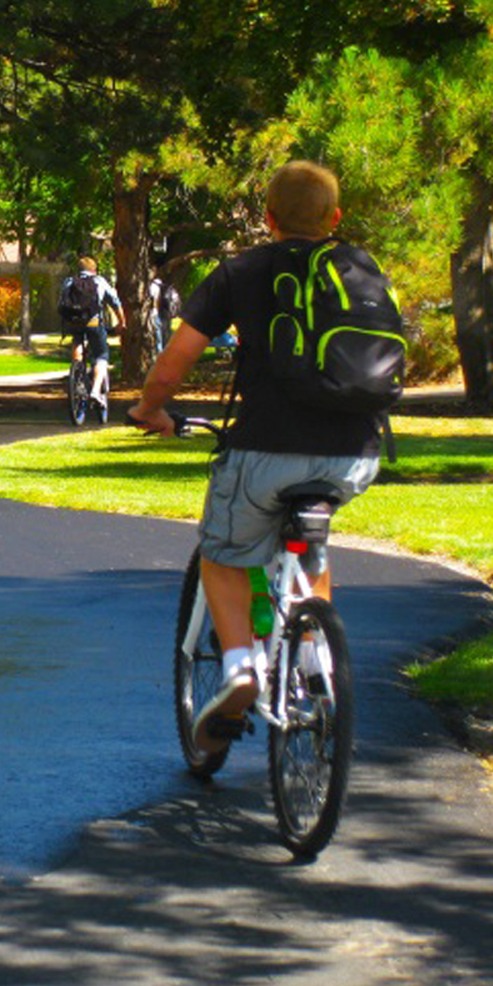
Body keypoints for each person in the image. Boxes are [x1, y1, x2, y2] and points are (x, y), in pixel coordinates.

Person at [127, 161, 383, 754]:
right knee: (310, 542)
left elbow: (174, 362)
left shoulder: (239, 272)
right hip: (353, 456)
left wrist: (149, 409)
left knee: (222, 554)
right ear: (335, 218)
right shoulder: (360, 269)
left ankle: (240, 665)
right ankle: (316, 658)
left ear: (268, 218)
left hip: (265, 452)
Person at [60, 256, 125, 406]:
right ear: (93, 270)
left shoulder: (69, 282)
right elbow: (115, 303)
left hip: (73, 322)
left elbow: (61, 304)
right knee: (101, 355)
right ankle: (96, 391)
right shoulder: (99, 281)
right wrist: (122, 322)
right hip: (94, 322)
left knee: (77, 341)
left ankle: (77, 374)